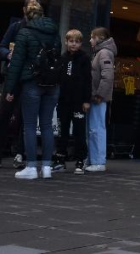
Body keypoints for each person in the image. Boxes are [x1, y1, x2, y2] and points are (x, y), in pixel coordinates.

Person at [3, 0, 60, 180]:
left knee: (29, 125)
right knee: (46, 125)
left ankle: (31, 167)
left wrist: (10, 89)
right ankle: (47, 167)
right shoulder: (54, 31)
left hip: (32, 82)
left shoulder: (25, 33)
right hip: (52, 83)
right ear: (42, 14)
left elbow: (16, 63)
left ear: (26, 16)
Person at [0, 9, 30, 169]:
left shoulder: (38, 30)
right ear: (24, 11)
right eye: (30, 10)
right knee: (3, 114)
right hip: (11, 76)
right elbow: (1, 47)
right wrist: (9, 54)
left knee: (24, 117)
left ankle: (19, 153)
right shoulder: (15, 27)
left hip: (28, 76)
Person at [54, 28, 92, 174]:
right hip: (64, 101)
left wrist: (86, 100)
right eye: (71, 41)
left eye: (76, 42)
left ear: (81, 43)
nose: (73, 44)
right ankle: (60, 159)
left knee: (79, 132)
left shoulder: (84, 58)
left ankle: (80, 159)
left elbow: (88, 80)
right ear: (66, 42)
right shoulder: (62, 58)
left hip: (79, 101)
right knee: (62, 131)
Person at [85, 26, 117, 173]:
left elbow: (108, 75)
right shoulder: (101, 52)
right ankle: (94, 160)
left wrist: (99, 95)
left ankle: (98, 161)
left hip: (98, 98)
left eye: (93, 37)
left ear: (101, 38)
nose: (90, 40)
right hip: (96, 97)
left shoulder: (103, 53)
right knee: (95, 128)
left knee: (96, 128)